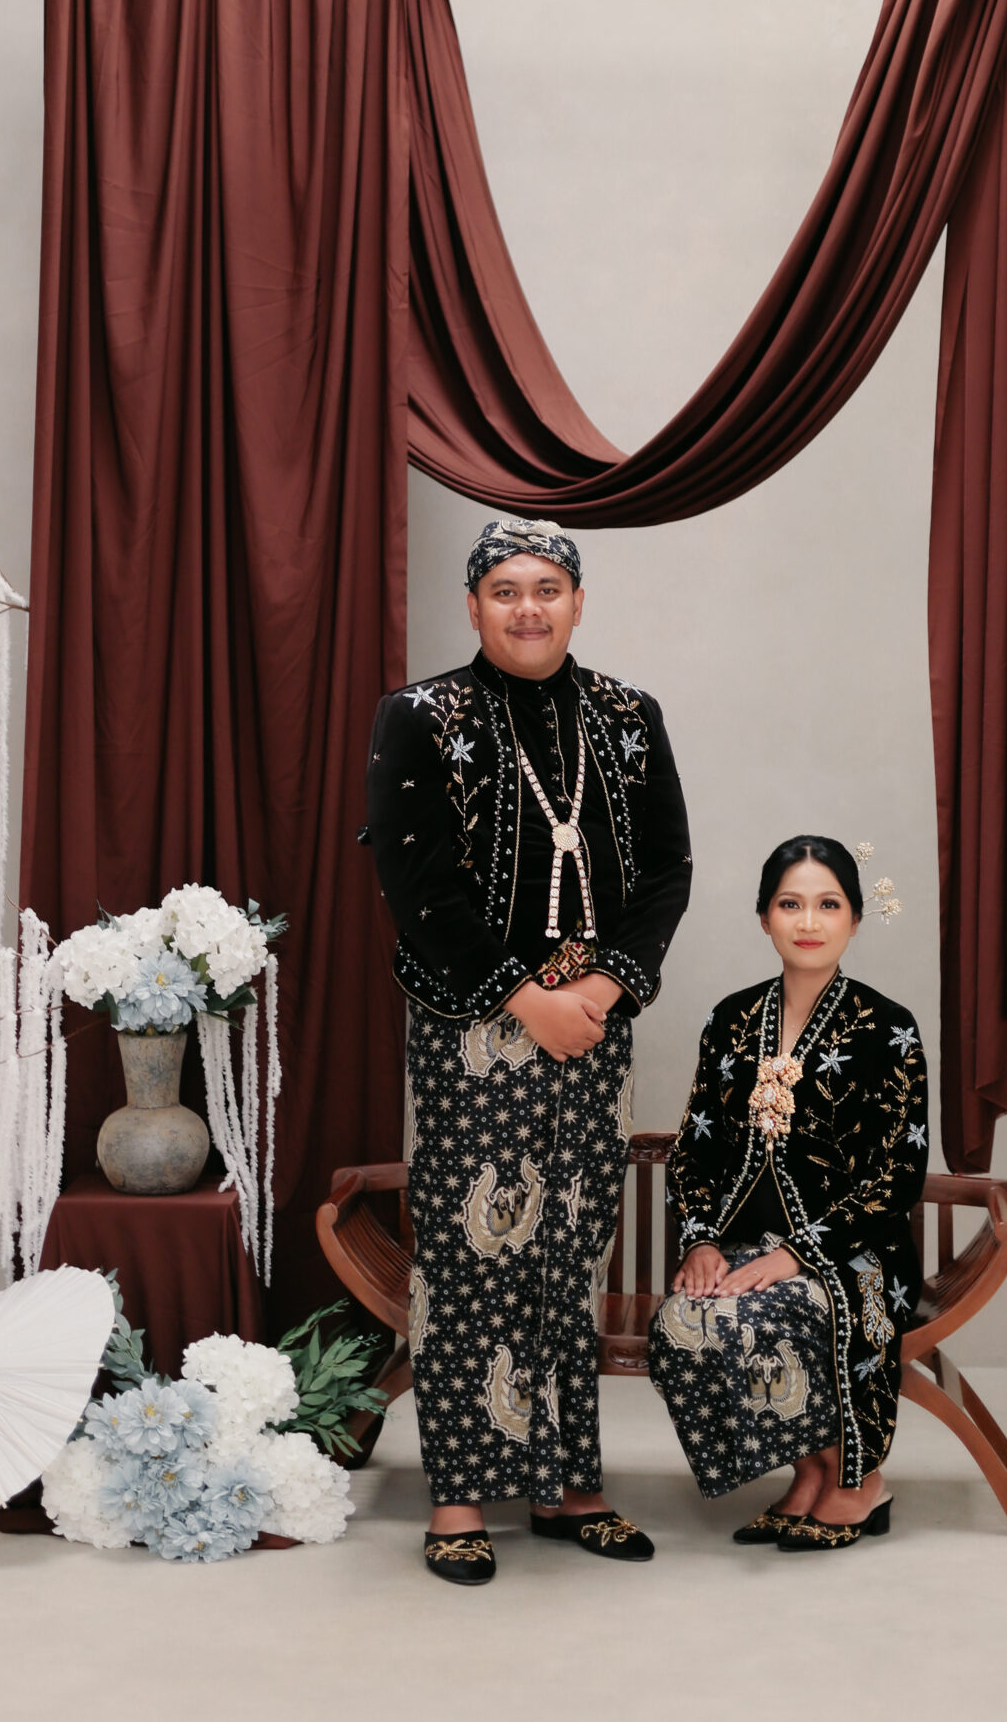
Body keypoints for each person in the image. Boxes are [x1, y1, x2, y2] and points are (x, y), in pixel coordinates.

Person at [364, 517, 693, 1583]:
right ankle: (458, 1497)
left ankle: (568, 1485)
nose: (527, 607)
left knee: (573, 1246)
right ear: (473, 606)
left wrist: (601, 987)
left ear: (577, 602)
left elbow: (668, 870)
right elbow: (417, 882)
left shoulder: (630, 718)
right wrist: (522, 996)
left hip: (594, 1021)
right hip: (472, 1027)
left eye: (547, 587)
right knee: (472, 1254)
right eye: (504, 589)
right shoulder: (421, 716)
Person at [649, 835, 928, 1550]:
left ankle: (858, 1478)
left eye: (828, 904)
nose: (808, 921)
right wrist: (700, 1242)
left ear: (856, 919)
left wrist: (798, 1255)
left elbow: (898, 1174)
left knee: (764, 1311)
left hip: (857, 1256)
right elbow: (695, 1150)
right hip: (745, 1247)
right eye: (789, 904)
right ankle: (810, 1470)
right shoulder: (731, 1020)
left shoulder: (888, 1027)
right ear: (763, 918)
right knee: (681, 1322)